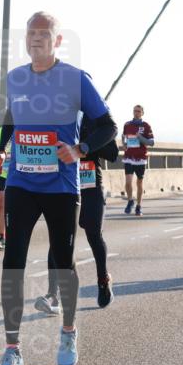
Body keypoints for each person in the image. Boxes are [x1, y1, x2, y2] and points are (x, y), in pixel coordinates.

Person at [0, 12, 117, 365]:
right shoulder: (15, 78)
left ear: (57, 41)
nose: (36, 39)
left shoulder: (76, 79)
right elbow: (9, 119)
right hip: (21, 182)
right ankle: (12, 351)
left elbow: (108, 125)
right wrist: (0, 149)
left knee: (63, 263)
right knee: (12, 262)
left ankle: (68, 332)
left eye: (44, 34)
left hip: (61, 185)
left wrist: (80, 149)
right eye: (31, 33)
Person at [36, 118, 118, 314]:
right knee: (59, 238)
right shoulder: (60, 120)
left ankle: (103, 280)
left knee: (93, 234)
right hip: (65, 186)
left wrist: (85, 144)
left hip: (91, 186)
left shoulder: (96, 120)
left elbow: (113, 154)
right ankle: (53, 295)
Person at [122, 105, 154, 216]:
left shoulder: (146, 126)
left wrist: (140, 138)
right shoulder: (127, 124)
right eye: (135, 111)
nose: (136, 113)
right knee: (128, 182)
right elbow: (124, 137)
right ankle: (130, 200)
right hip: (128, 157)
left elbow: (151, 143)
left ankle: (139, 206)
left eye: (139, 111)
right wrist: (124, 144)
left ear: (142, 113)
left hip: (140, 158)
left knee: (139, 183)